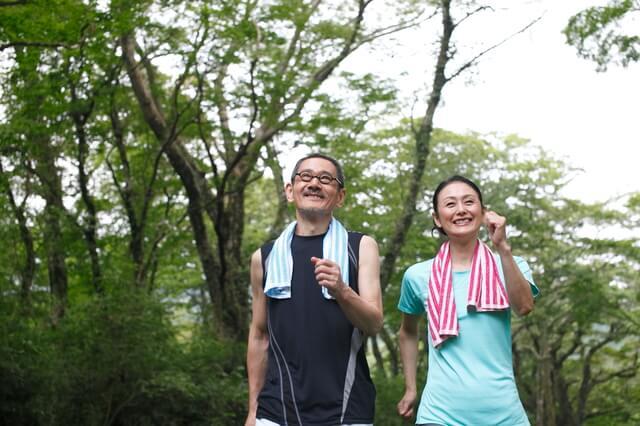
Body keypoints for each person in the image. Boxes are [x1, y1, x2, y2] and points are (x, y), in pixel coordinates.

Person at [245, 153, 383, 426]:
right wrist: (252, 410)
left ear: (340, 196)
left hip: (347, 409)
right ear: (290, 190)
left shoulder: (360, 247)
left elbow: (374, 324)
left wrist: (342, 290)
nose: (314, 184)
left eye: (325, 179)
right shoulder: (265, 257)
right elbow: (259, 336)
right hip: (275, 411)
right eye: (305, 176)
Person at [396, 175, 538, 426]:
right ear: (437, 219)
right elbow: (407, 332)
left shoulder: (510, 265)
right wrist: (410, 388)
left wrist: (503, 248)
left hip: (504, 413)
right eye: (450, 204)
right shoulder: (417, 276)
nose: (461, 210)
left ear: (483, 213)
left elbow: (525, 307)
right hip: (439, 414)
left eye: (469, 202)